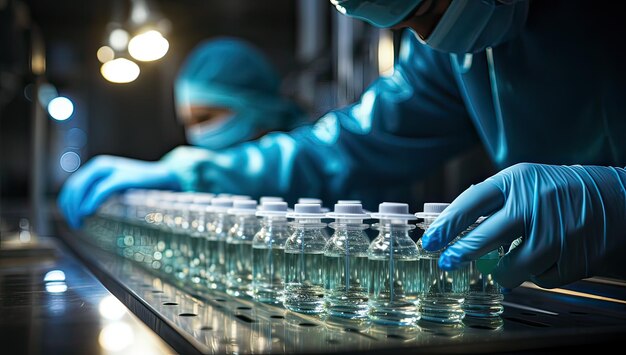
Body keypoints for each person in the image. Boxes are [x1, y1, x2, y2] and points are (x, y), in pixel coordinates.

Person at [59, 0, 626, 290]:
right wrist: (198, 174)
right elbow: (353, 142)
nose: (427, 35)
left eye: (430, 9)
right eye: (403, 24)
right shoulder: (454, 54)